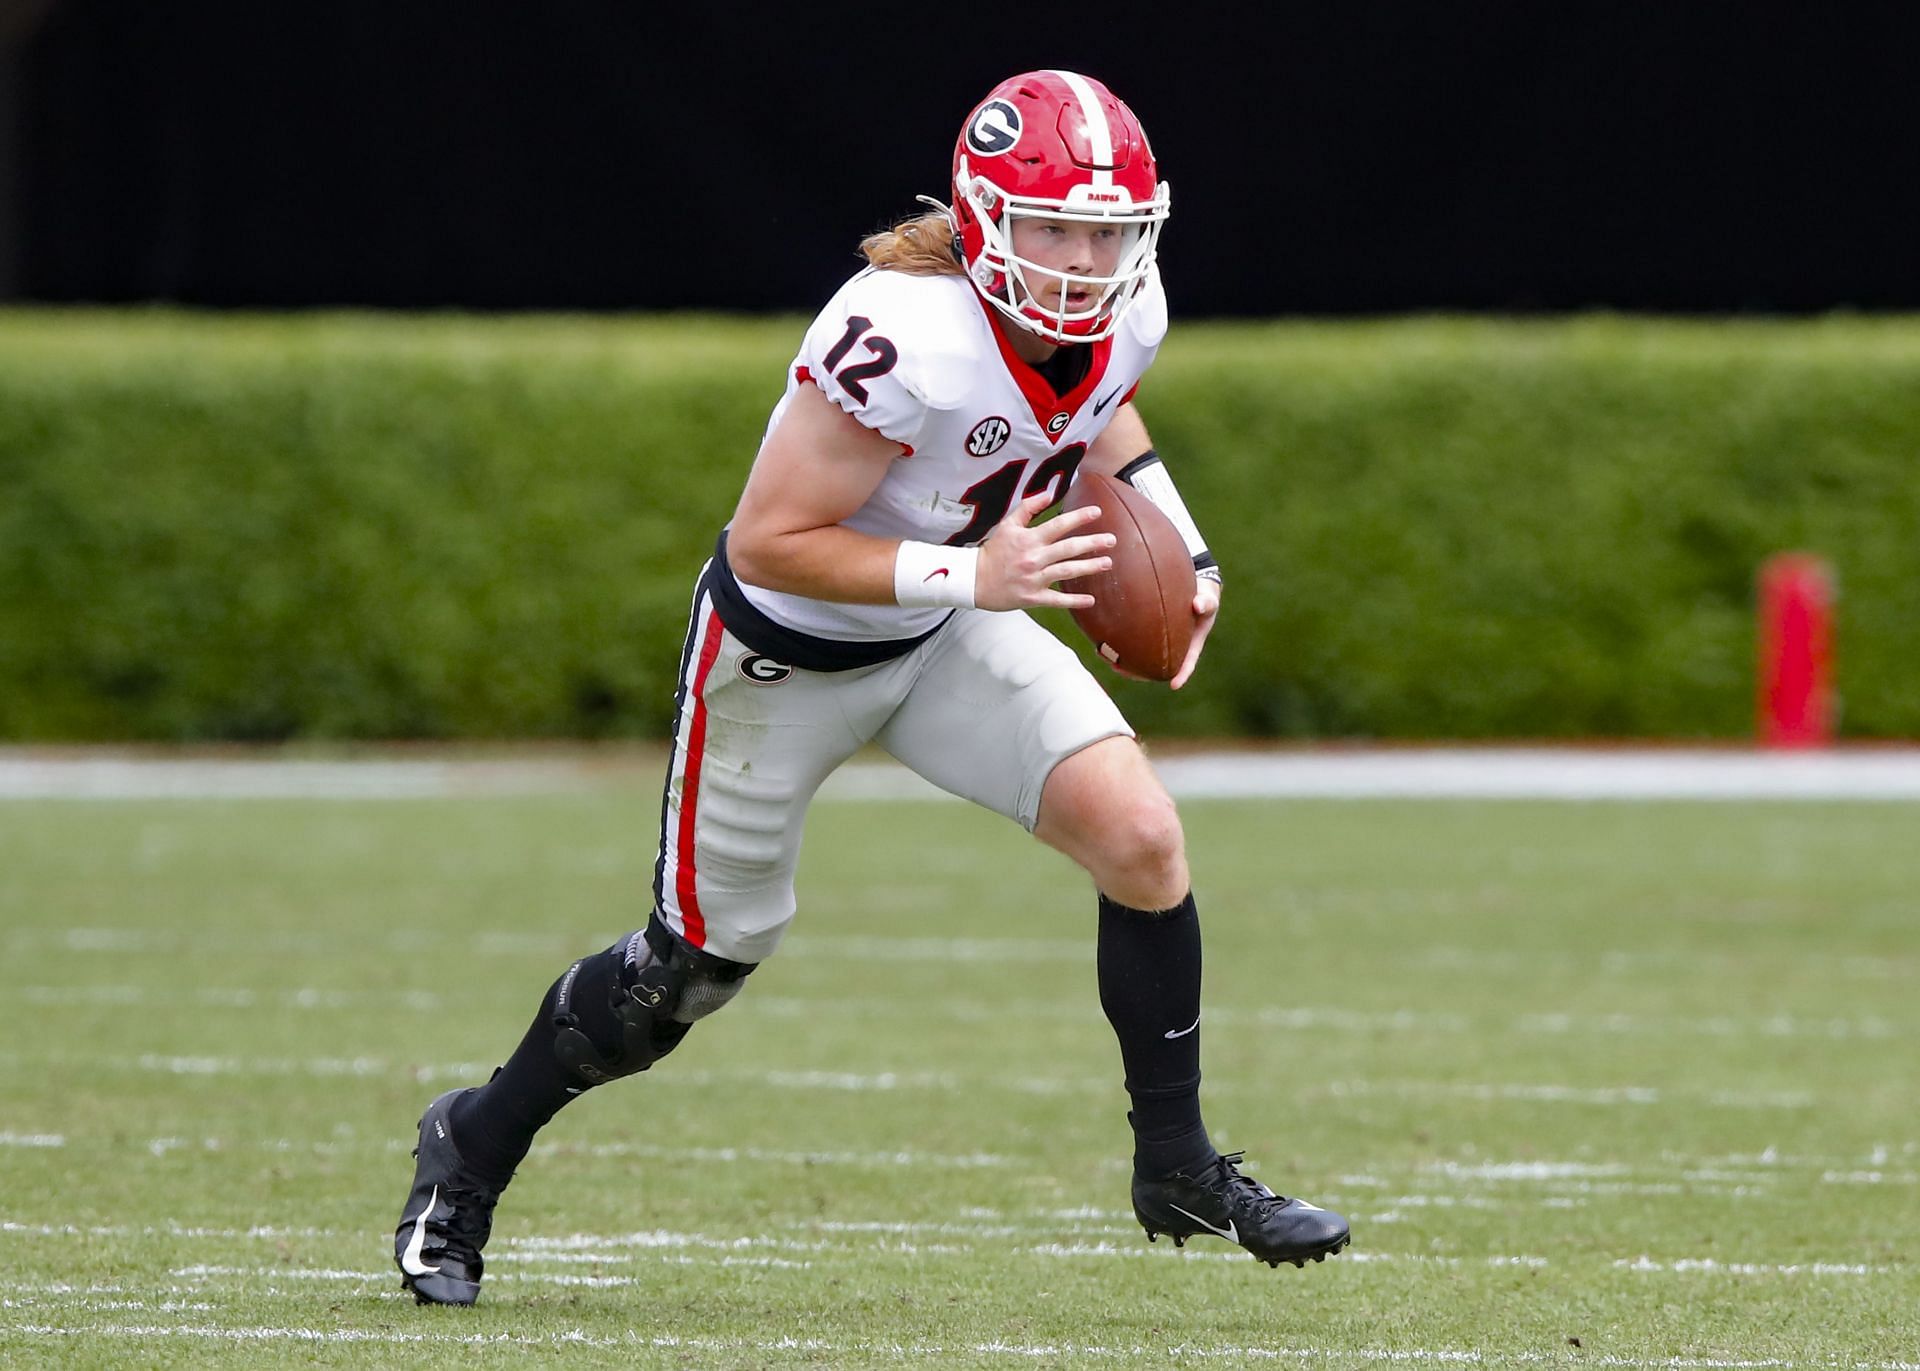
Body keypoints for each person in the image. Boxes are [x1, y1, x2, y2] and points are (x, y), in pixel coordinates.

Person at [392, 68, 1351, 1307]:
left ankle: (1177, 1166)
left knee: (1143, 840)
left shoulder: (1125, 302)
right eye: (1055, 226)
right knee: (688, 973)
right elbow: (766, 543)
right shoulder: (903, 335)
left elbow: (1101, 400)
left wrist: (1180, 534)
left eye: (1109, 233)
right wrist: (975, 568)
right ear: (986, 214)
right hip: (787, 653)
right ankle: (471, 1143)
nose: (1084, 263)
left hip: (950, 624)